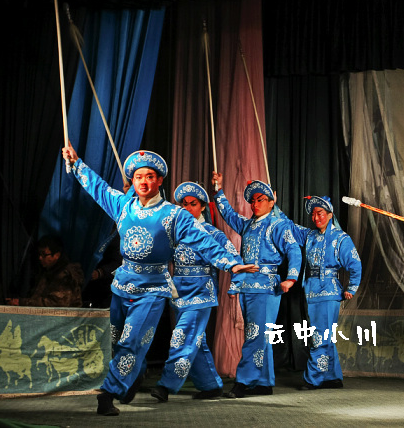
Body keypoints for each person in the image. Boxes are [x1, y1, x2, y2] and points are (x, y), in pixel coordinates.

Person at [61, 146, 258, 416]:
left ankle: (108, 393)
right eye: (138, 177)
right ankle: (134, 375)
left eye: (150, 176)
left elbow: (204, 241)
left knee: (132, 341)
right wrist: (77, 164)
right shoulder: (123, 205)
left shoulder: (174, 215)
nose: (143, 182)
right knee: (117, 341)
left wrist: (231, 263)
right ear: (133, 181)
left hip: (152, 289)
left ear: (160, 180)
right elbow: (98, 188)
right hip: (122, 285)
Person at [211, 174, 302, 398]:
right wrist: (218, 191)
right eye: (252, 201)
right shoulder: (248, 225)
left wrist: (291, 278)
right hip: (247, 286)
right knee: (260, 336)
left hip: (266, 288)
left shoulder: (278, 225)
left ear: (272, 202)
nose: (255, 204)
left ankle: (243, 381)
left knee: (255, 335)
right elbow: (229, 215)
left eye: (260, 199)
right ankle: (264, 382)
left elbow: (294, 250)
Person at [150, 182, 239, 402]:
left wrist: (235, 284)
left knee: (182, 336)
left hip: (201, 293)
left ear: (202, 207)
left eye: (193, 204)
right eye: (184, 204)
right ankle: (211, 385)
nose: (188, 208)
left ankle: (166, 385)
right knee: (195, 340)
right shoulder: (175, 233)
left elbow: (234, 258)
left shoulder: (212, 233)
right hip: (179, 293)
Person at [291, 196, 361, 390]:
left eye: (320, 213)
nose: (316, 218)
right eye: (313, 214)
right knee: (324, 335)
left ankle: (313, 378)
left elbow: (355, 264)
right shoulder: (310, 236)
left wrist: (351, 287)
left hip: (329, 292)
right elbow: (290, 227)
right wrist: (274, 206)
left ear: (330, 215)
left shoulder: (340, 238)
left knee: (319, 336)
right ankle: (332, 377)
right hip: (312, 291)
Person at [6, 236, 83, 308]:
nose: (40, 258)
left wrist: (22, 302)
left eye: (44, 255)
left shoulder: (65, 275)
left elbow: (57, 303)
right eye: (39, 254)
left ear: (56, 255)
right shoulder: (46, 271)